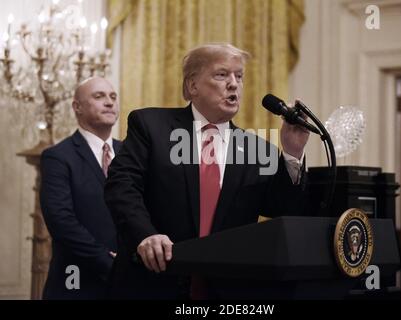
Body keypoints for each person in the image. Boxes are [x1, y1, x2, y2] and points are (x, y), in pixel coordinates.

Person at [104, 43, 310, 299]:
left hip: (226, 292)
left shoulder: (259, 149)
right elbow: (121, 187)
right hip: (151, 282)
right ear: (193, 86)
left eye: (239, 76)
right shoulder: (150, 125)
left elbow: (284, 209)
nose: (234, 84)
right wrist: (145, 235)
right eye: (222, 75)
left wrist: (291, 153)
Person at [40, 77, 121, 299]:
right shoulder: (57, 157)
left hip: (129, 284)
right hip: (76, 283)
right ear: (77, 107)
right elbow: (61, 222)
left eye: (113, 97)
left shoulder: (131, 154)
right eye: (99, 96)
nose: (109, 102)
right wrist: (109, 263)